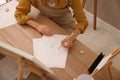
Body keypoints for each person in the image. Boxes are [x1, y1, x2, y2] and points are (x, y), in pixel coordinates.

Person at [14, 0, 88, 48]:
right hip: (44, 19)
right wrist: (37, 26)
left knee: (64, 48)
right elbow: (19, 14)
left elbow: (83, 22)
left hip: (65, 21)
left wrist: (72, 37)